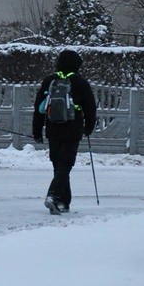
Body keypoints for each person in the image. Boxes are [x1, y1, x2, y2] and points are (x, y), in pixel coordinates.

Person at [32, 49, 97, 215]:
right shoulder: (80, 82)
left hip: (53, 127)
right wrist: (89, 127)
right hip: (72, 128)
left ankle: (64, 202)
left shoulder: (50, 81)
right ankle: (53, 196)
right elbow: (90, 107)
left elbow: (39, 108)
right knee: (65, 165)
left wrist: (37, 131)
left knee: (58, 164)